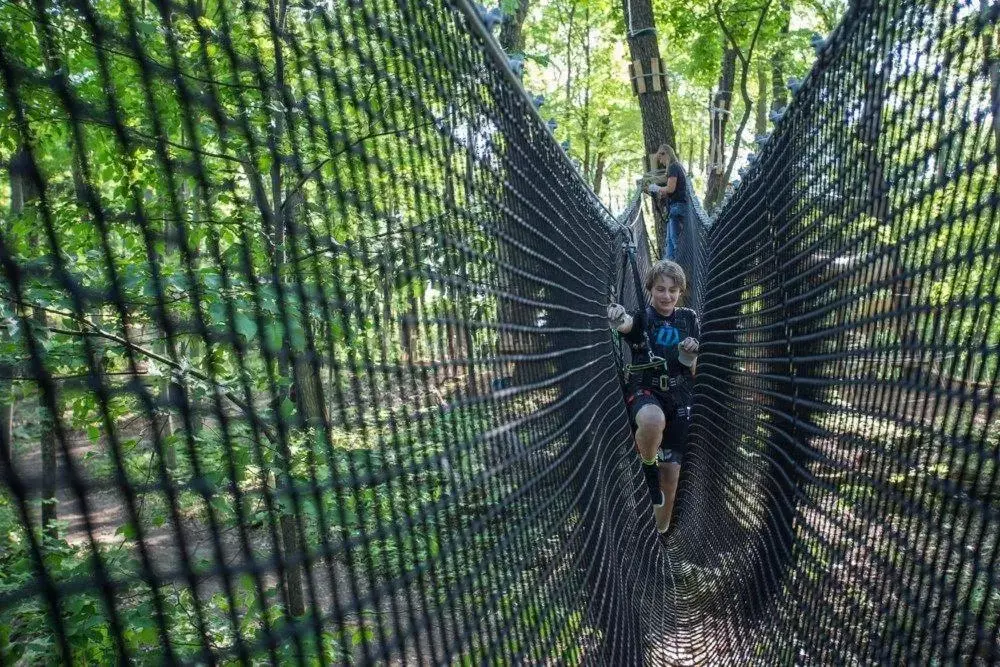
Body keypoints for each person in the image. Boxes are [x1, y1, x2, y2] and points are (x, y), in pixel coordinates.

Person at [607, 260, 699, 534]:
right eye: (660, 289)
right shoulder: (643, 317)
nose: (667, 296)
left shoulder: (689, 319)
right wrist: (616, 317)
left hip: (680, 397)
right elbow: (626, 325)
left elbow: (696, 370)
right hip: (645, 391)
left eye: (672, 290)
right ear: (650, 289)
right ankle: (648, 464)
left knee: (670, 478)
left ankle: (659, 535)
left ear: (680, 292)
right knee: (650, 420)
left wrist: (689, 355)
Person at [646, 144, 688, 260]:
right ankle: (667, 269)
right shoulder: (678, 167)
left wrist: (656, 188)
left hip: (677, 208)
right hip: (675, 208)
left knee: (675, 242)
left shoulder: (673, 167)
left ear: (665, 154)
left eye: (660, 157)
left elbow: (670, 189)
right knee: (669, 242)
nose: (660, 161)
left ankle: (680, 269)